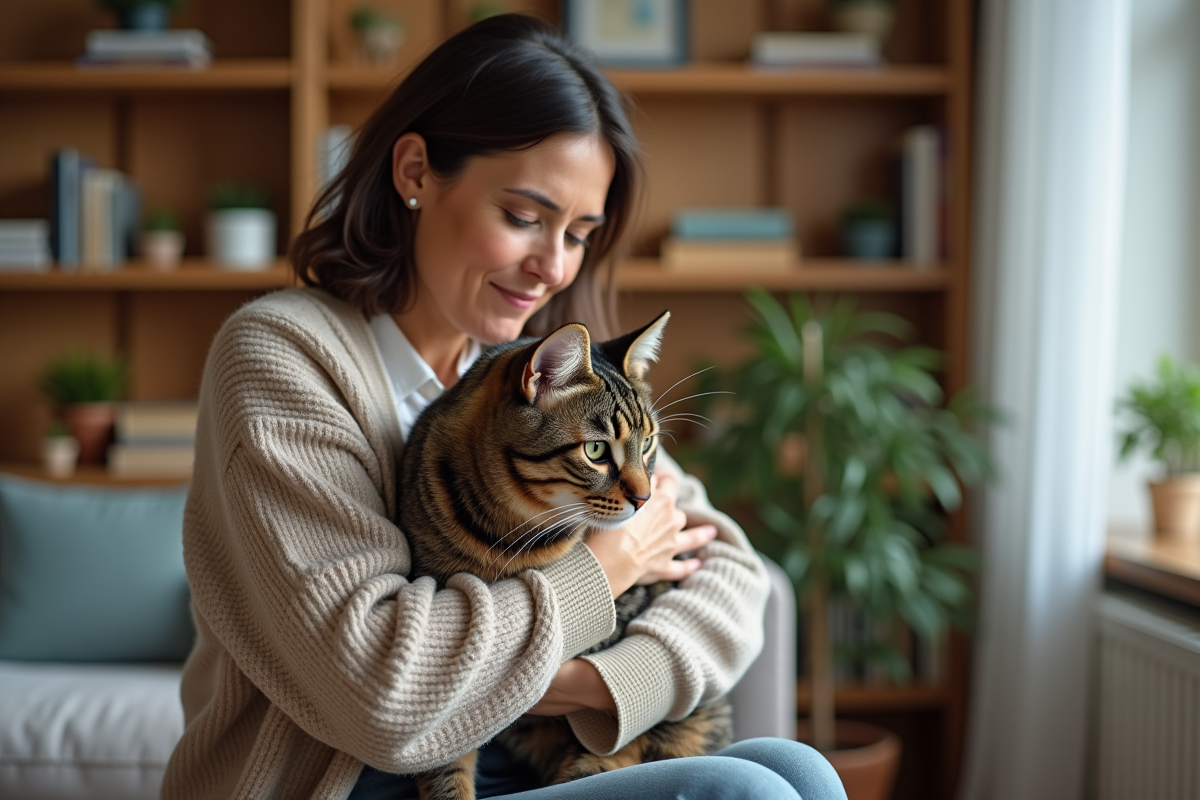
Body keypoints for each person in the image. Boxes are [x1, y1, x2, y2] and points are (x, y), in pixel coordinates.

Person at [161, 14, 846, 800]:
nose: (553, 267)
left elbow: (732, 573)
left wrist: (592, 684)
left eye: (580, 233)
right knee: (747, 792)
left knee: (798, 770)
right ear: (415, 170)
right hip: (357, 782)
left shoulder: (541, 374)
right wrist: (605, 569)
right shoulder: (282, 357)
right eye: (523, 217)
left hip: (536, 757)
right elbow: (384, 697)